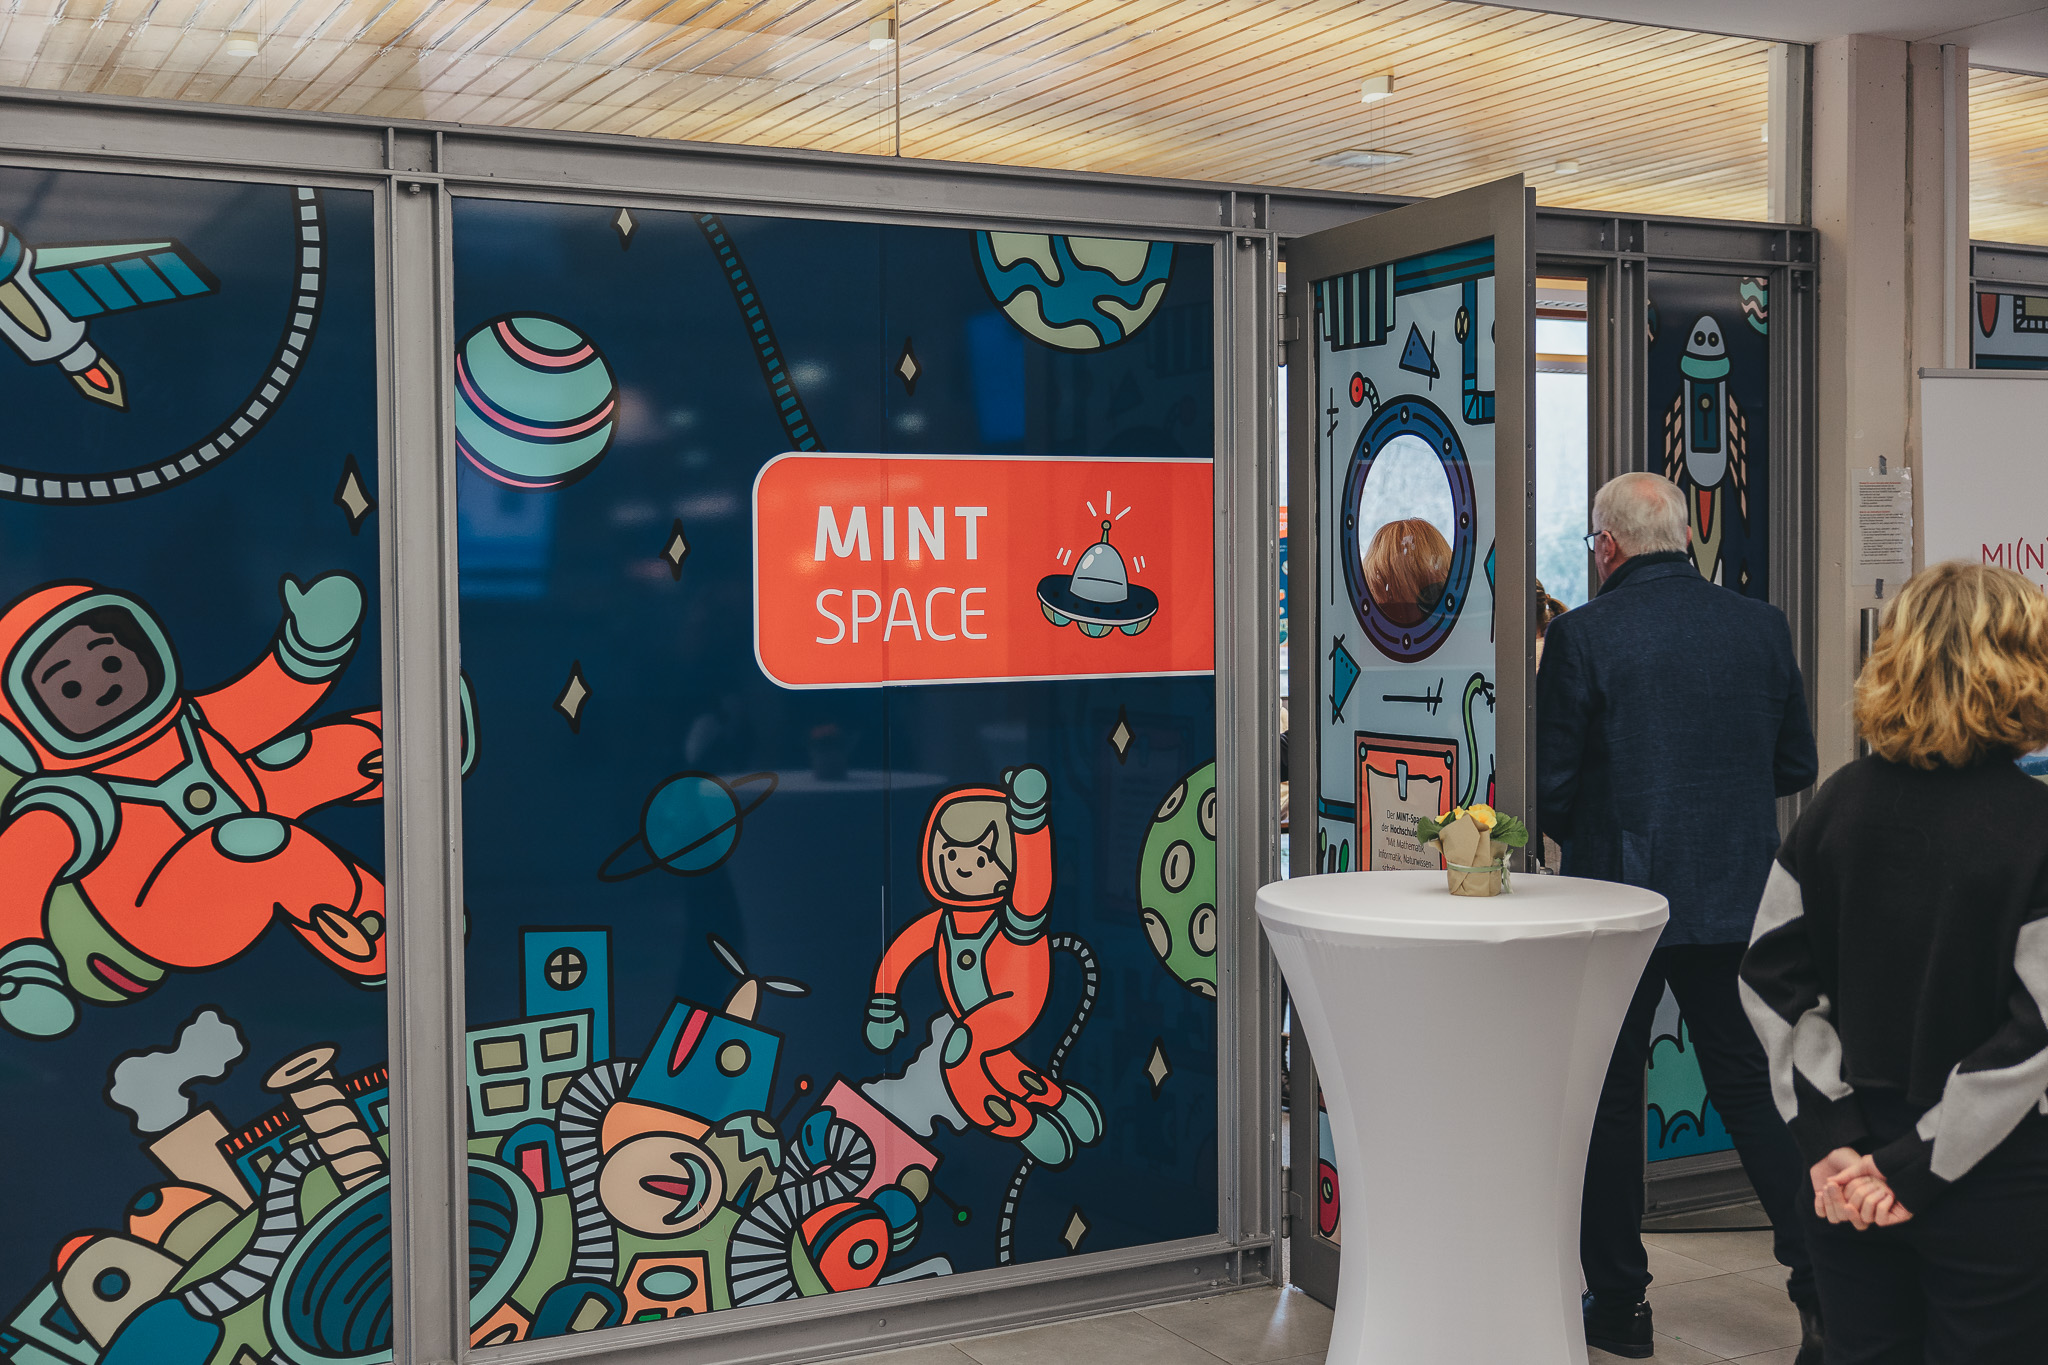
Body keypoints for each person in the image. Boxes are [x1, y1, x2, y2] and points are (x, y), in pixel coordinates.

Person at [1537, 472, 1821, 1361]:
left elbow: (1551, 788)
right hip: (1734, 891)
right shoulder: (1761, 626)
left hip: (1619, 900)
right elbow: (1796, 764)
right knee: (1753, 1088)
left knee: (1611, 1095)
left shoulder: (1583, 636)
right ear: (1685, 537)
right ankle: (1823, 1288)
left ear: (1607, 547)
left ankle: (1621, 1304)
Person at [1740, 562, 2048, 1364]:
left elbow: (1770, 979)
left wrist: (1833, 1141)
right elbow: (2035, 1032)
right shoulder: (2037, 827)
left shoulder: (1836, 806)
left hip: (1845, 1177)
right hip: (1992, 1181)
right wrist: (1911, 1168)